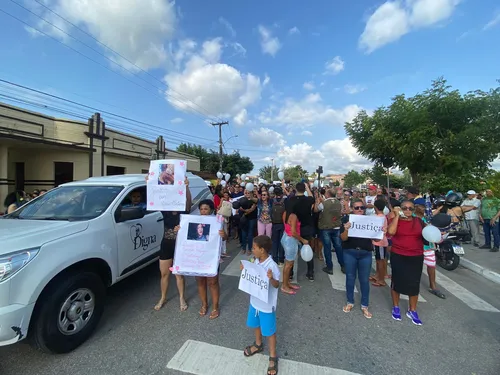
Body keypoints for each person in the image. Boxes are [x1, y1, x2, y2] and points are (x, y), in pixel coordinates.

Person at [241, 236, 280, 375]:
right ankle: (258, 344)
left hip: (266, 306)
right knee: (255, 324)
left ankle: (273, 356)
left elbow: (277, 285)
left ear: (262, 250)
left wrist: (271, 279)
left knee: (269, 331)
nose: (252, 250)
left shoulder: (272, 266)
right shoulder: (255, 260)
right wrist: (244, 269)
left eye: (254, 248)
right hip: (255, 302)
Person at [154, 176, 192, 312]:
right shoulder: (165, 209)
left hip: (179, 246)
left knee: (179, 274)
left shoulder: (184, 210)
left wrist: (186, 186)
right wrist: (150, 182)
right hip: (166, 244)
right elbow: (155, 196)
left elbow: (189, 202)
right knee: (164, 274)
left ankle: (182, 298)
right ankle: (163, 297)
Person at [388, 200, 425, 325]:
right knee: (397, 281)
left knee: (414, 283)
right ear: (400, 209)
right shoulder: (396, 220)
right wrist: (397, 216)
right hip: (398, 254)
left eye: (410, 208)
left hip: (416, 255)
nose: (407, 210)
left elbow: (427, 234)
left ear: (414, 210)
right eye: (404, 208)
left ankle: (412, 309)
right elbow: (391, 232)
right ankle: (396, 306)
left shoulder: (419, 221)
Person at [340, 199, 374, 319]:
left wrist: (381, 233)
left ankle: (365, 305)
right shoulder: (346, 219)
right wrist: (346, 229)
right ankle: (350, 301)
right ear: (352, 209)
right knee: (350, 277)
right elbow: (343, 239)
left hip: (365, 253)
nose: (359, 210)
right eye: (356, 208)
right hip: (350, 252)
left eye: (362, 208)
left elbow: (377, 240)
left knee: (364, 280)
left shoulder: (370, 220)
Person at [196, 199, 228, 319]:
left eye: (206, 209)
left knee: (213, 282)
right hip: (197, 256)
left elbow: (225, 237)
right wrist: (180, 229)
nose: (203, 211)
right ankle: (204, 304)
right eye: (202, 209)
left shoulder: (217, 221)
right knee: (200, 280)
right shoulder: (194, 221)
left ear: (211, 210)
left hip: (211, 256)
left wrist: (222, 234)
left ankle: (215, 306)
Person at [413, 198, 445, 299]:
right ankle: (412, 286)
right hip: (415, 245)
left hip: (428, 246)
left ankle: (433, 286)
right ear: (416, 207)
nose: (424, 208)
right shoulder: (411, 217)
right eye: (422, 206)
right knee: (414, 267)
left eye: (425, 207)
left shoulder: (426, 217)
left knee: (431, 266)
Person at [287, 182, 316, 281]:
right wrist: (308, 188)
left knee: (292, 251)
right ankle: (310, 273)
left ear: (295, 189)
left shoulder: (290, 200)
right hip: (306, 227)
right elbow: (312, 197)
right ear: (304, 189)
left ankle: (290, 273)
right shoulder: (308, 200)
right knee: (308, 248)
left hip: (294, 227)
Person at [315, 188, 343, 275]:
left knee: (327, 247)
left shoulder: (324, 203)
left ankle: (329, 267)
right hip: (336, 227)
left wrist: (317, 201)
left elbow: (316, 210)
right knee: (338, 247)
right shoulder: (339, 202)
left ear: (328, 194)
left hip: (326, 227)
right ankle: (343, 265)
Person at [370, 199, 389, 287]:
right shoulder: (381, 216)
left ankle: (381, 279)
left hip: (380, 242)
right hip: (377, 242)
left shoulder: (379, 217)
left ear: (375, 207)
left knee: (380, 261)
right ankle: (377, 275)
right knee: (378, 260)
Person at [270, 187, 287, 265]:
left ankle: (274, 258)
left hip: (274, 224)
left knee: (274, 242)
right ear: (281, 193)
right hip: (283, 224)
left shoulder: (271, 201)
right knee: (282, 242)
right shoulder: (285, 201)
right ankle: (281, 259)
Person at [240, 189, 258, 255]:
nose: (247, 194)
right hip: (244, 219)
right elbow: (239, 207)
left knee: (250, 234)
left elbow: (251, 209)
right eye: (246, 193)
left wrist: (244, 210)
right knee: (243, 233)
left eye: (248, 193)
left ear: (252, 194)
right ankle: (243, 248)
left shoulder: (254, 200)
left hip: (252, 219)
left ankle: (250, 249)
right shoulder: (242, 200)